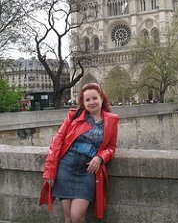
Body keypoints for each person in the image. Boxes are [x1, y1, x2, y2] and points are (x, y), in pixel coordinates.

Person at [39, 83, 119, 222]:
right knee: (68, 217)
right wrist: (50, 170)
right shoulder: (73, 116)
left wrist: (100, 157)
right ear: (83, 102)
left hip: (88, 170)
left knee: (77, 216)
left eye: (95, 98)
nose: (91, 102)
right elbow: (57, 141)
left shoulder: (111, 121)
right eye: (87, 100)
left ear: (102, 98)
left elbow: (111, 147)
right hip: (66, 167)